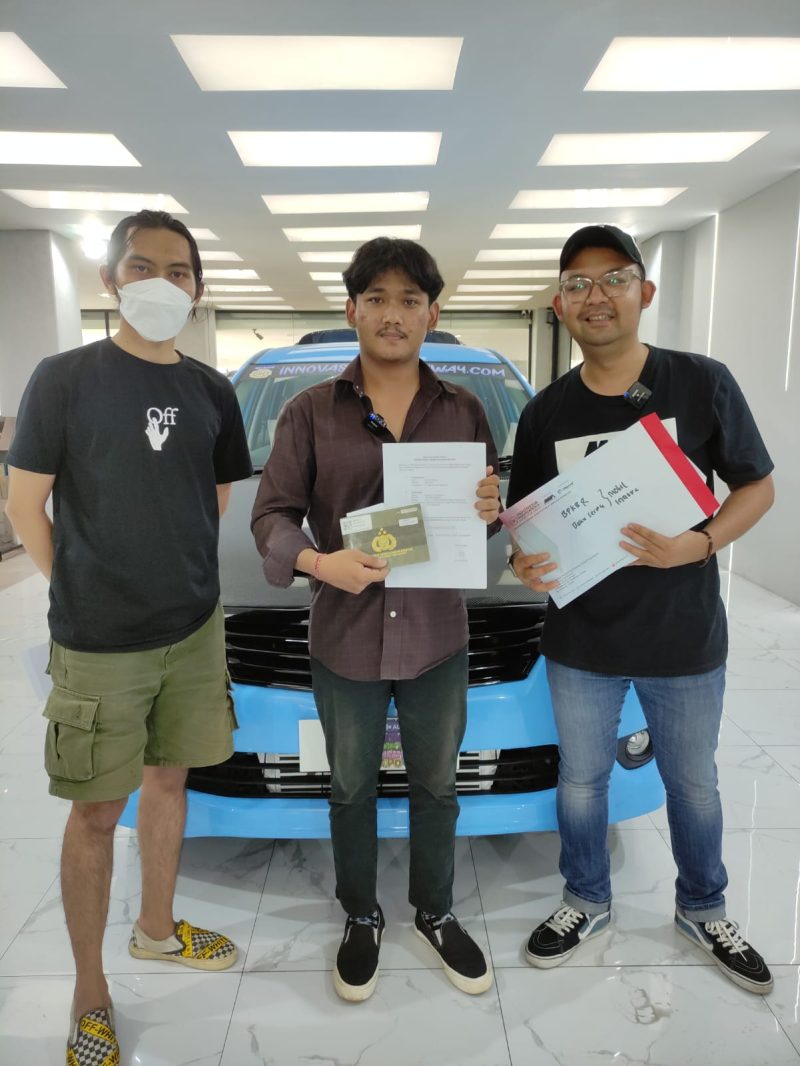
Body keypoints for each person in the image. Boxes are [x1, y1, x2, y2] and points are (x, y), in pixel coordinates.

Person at [6, 210, 253, 1065]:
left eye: (179, 270)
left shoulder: (212, 391)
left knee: (169, 780)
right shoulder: (65, 379)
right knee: (94, 811)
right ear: (111, 280)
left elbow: (211, 502)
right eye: (142, 266)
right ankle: (90, 991)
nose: (162, 282)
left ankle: (156, 928)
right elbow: (24, 504)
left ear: (198, 289)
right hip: (99, 642)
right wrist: (78, 585)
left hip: (193, 630)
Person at [507, 224, 775, 995]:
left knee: (693, 786)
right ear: (560, 304)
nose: (597, 296)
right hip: (580, 642)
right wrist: (523, 562)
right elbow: (525, 527)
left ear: (643, 292)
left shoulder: (700, 382)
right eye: (579, 284)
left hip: (682, 635)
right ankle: (585, 899)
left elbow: (757, 486)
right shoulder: (545, 413)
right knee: (581, 784)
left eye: (614, 279)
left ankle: (704, 907)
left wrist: (702, 543)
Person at [251, 237, 500, 1002]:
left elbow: (481, 517)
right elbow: (270, 517)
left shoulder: (463, 410)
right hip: (346, 638)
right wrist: (317, 562)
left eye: (410, 300)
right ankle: (361, 914)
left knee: (437, 786)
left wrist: (488, 507)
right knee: (351, 787)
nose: (394, 314)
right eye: (378, 299)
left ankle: (434, 911)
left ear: (432, 314)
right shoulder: (308, 412)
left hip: (436, 639)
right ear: (352, 309)